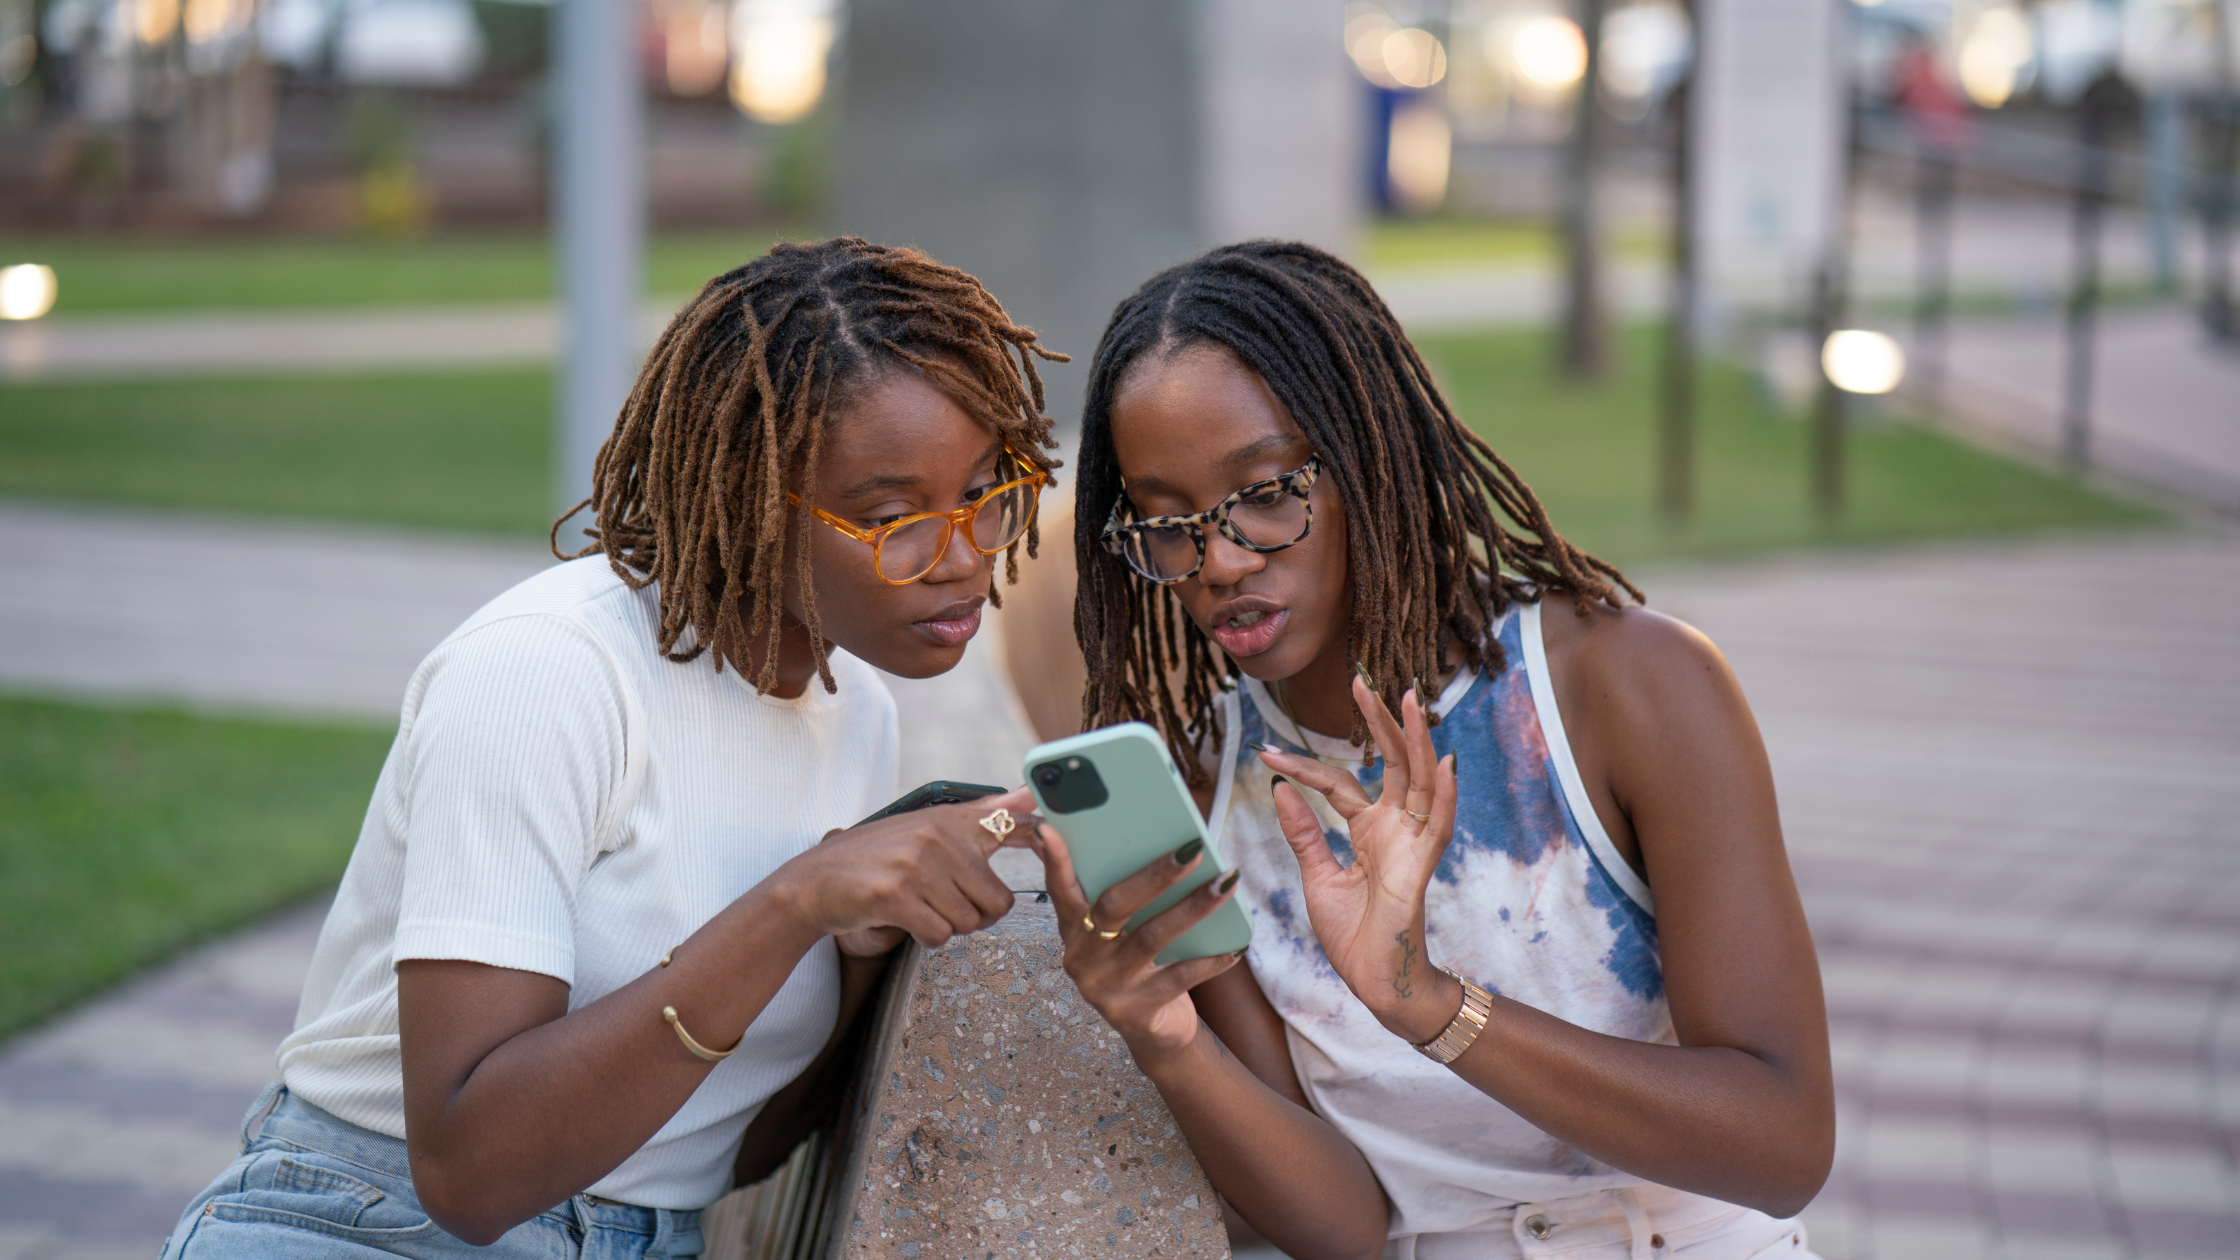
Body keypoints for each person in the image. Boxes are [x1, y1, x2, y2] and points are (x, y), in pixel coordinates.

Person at [160, 238, 1064, 1259]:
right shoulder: (547, 673)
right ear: (756, 500)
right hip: (375, 1228)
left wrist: (867, 944)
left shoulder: (855, 705)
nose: (964, 557)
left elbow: (724, 1141)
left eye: (989, 493)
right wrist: (793, 904)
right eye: (892, 516)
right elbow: (472, 1171)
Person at [1034, 241, 1833, 1260]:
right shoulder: (1202, 790)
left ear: (1376, 451)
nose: (1218, 562)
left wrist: (1426, 1003)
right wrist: (1166, 1042)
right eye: (1166, 525)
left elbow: (1781, 1144)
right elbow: (1349, 1228)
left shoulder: (1622, 688)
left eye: (1268, 492)